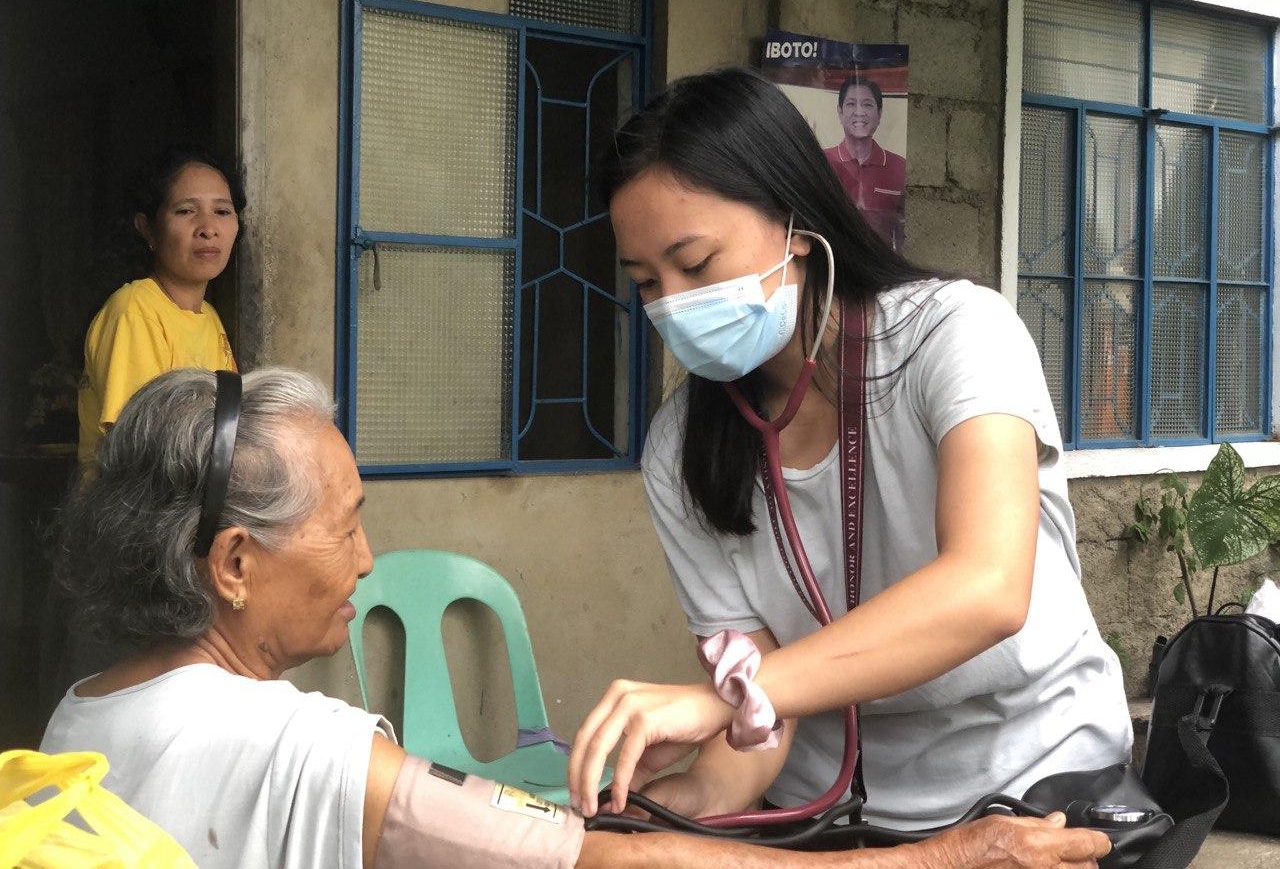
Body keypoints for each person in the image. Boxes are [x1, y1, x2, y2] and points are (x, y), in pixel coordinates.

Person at [42, 367, 1110, 869]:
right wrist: (951, 858)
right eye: (348, 525)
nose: (366, 558)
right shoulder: (296, 747)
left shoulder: (80, 717)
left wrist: (649, 804)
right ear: (234, 563)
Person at [567, 67, 1133, 831]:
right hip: (836, 811)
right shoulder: (678, 451)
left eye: (694, 264)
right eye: (646, 283)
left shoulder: (960, 335)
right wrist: (681, 808)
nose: (674, 303)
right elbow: (762, 730)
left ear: (797, 225)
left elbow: (989, 588)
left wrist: (728, 697)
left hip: (1038, 780)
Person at [77, 146, 242, 468]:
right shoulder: (135, 311)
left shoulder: (208, 317)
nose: (208, 228)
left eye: (222, 211)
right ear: (148, 228)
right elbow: (140, 449)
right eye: (186, 211)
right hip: (140, 499)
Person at [822, 77, 905, 250]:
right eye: (851, 104)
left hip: (881, 264)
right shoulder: (821, 161)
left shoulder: (900, 167)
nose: (859, 112)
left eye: (867, 104)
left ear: (879, 114)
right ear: (840, 112)